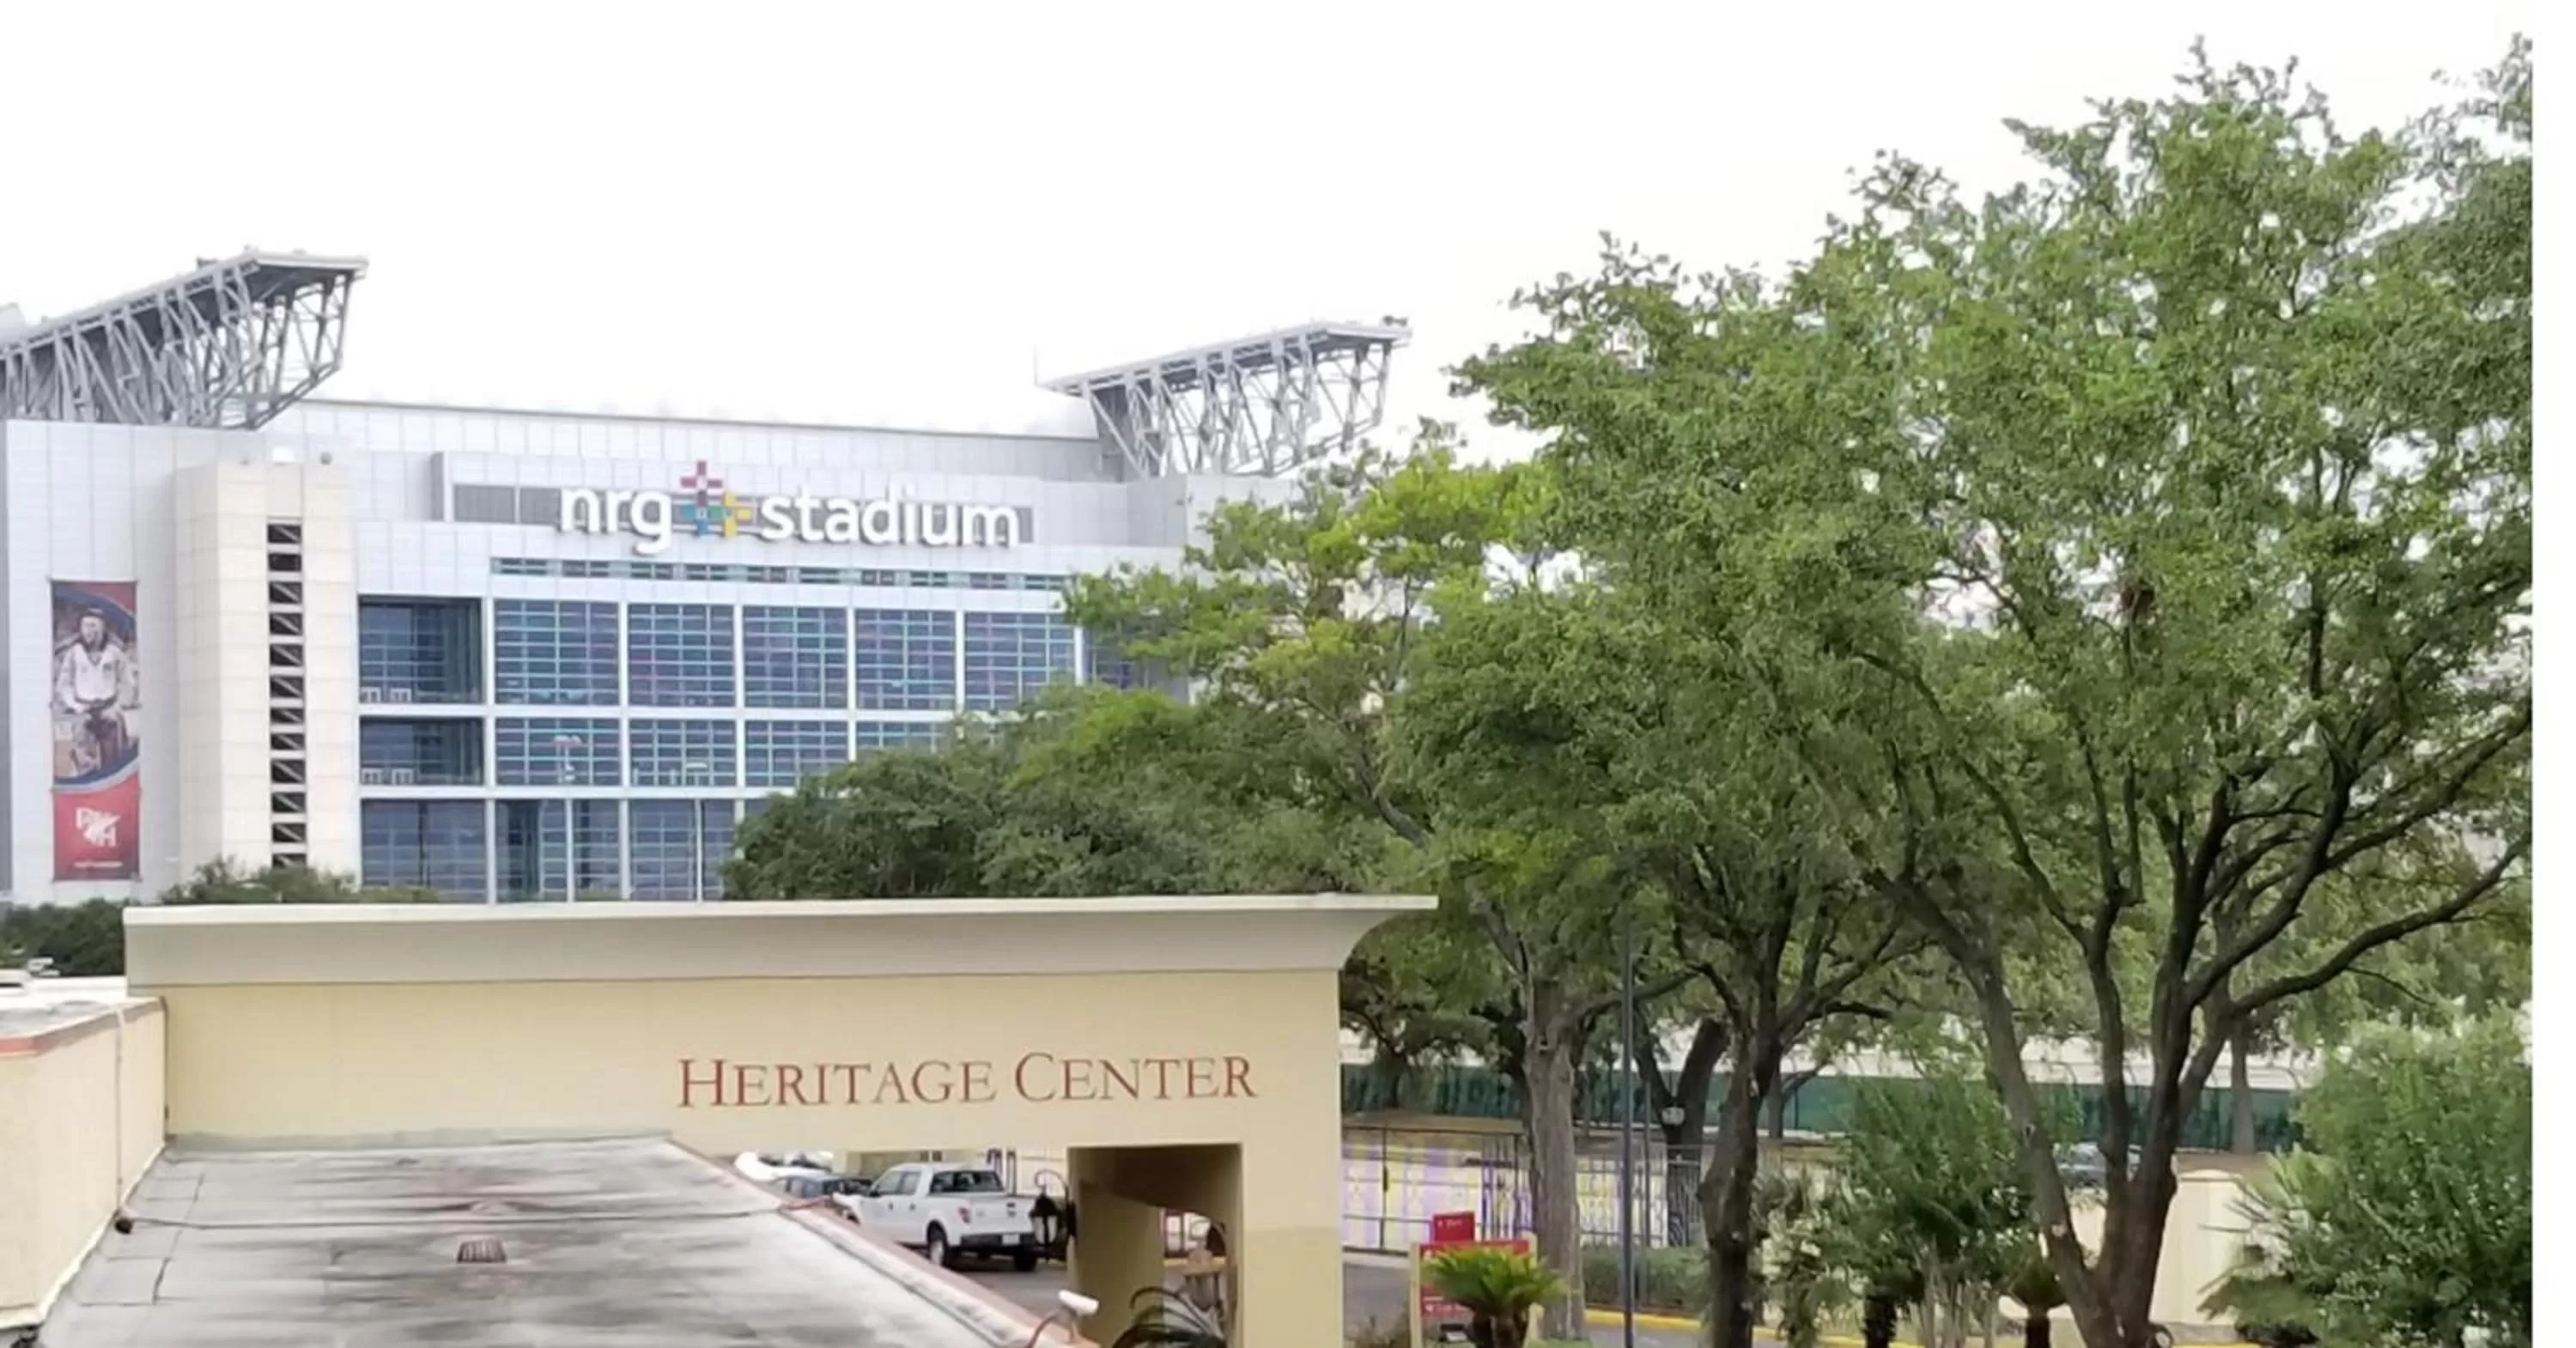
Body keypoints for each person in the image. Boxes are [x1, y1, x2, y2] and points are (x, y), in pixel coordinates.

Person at [52, 607, 136, 774]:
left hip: (109, 710)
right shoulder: (73, 654)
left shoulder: (114, 653)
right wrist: (75, 705)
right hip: (83, 712)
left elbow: (127, 683)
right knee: (85, 763)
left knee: (113, 763)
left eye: (94, 626)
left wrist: (117, 707)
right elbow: (64, 685)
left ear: (103, 628)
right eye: (86, 626)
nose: (90, 631)